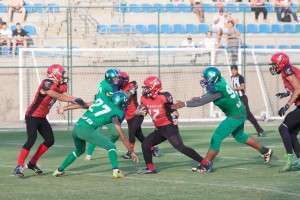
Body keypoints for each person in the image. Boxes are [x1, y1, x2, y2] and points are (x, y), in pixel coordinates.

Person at [172, 66, 273, 173]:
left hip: (235, 115)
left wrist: (184, 104)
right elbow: (208, 96)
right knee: (240, 136)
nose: (204, 81)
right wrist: (201, 97)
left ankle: (206, 164)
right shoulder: (220, 80)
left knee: (217, 137)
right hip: (239, 111)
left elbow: (202, 101)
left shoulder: (217, 90)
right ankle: (265, 151)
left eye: (206, 79)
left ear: (212, 79)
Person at [13, 64, 87, 177]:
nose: (63, 76)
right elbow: (54, 94)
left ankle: (32, 163)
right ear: (55, 73)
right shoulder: (46, 83)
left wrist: (64, 106)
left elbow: (63, 96)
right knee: (31, 139)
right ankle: (19, 166)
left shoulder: (61, 85)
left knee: (50, 140)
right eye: (62, 73)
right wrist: (73, 99)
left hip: (42, 117)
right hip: (32, 115)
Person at [53, 91, 138, 178]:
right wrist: (131, 152)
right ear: (120, 102)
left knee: (80, 150)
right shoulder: (116, 112)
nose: (125, 104)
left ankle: (59, 170)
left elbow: (84, 105)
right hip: (86, 130)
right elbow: (122, 135)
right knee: (111, 146)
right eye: (125, 102)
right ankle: (116, 171)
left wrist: (65, 108)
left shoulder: (102, 100)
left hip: (77, 127)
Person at [137, 76, 204, 174]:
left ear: (154, 87)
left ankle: (205, 162)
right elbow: (145, 111)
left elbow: (173, 110)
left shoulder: (163, 97)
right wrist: (140, 112)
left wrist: (175, 116)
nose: (145, 89)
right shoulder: (143, 98)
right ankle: (150, 168)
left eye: (147, 87)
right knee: (146, 144)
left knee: (180, 147)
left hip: (169, 127)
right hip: (159, 129)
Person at [269, 52, 300, 172]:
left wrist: (286, 106)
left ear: (281, 63)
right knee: (291, 132)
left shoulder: (287, 71)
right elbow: (293, 87)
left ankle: (289, 158)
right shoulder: (285, 71)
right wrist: (286, 93)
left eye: (275, 64)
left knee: (283, 128)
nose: (273, 66)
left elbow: (298, 89)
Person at [119, 72, 160, 160]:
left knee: (131, 133)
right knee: (139, 135)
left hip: (137, 113)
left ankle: (131, 152)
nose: (118, 81)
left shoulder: (131, 85)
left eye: (120, 79)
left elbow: (133, 88)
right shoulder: (119, 88)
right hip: (129, 115)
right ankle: (153, 149)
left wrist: (124, 92)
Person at [85, 68, 120, 160]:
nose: (117, 79)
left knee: (116, 133)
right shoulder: (107, 86)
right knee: (96, 133)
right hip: (100, 112)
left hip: (107, 112)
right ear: (109, 78)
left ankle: (108, 145)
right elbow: (113, 100)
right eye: (115, 77)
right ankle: (89, 153)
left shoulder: (106, 83)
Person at [230, 65, 265, 137]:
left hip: (242, 98)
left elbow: (243, 87)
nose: (233, 72)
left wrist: (234, 89)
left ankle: (260, 130)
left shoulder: (240, 77)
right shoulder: (232, 77)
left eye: (234, 70)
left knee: (248, 115)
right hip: (236, 99)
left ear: (236, 70)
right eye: (232, 70)